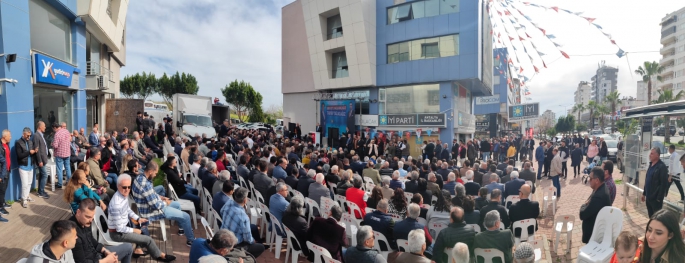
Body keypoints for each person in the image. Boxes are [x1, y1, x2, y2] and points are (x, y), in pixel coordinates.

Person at [108, 174, 176, 262]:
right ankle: (160, 256)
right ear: (118, 186)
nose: (127, 190)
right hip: (117, 234)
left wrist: (137, 218)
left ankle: (138, 249)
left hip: (125, 225)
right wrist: (135, 230)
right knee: (148, 239)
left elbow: (128, 209)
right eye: (124, 187)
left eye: (129, 187)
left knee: (143, 224)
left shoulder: (121, 195)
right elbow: (119, 228)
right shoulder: (116, 204)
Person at [132, 161, 195, 246]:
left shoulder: (140, 177)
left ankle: (181, 228)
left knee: (176, 204)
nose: (155, 175)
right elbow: (155, 206)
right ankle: (191, 241)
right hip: (152, 211)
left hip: (150, 206)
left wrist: (161, 198)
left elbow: (151, 194)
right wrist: (165, 202)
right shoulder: (145, 184)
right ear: (150, 171)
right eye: (155, 173)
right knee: (186, 217)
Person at [71, 198, 133, 263]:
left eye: (92, 217)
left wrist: (105, 251)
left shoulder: (85, 222)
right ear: (78, 212)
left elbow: (92, 240)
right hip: (95, 260)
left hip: (97, 255)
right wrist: (106, 260)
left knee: (128, 247)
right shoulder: (72, 233)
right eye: (88, 217)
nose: (90, 220)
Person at [220, 187, 265, 258]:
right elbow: (247, 238)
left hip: (223, 234)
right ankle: (246, 257)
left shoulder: (229, 202)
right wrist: (253, 241)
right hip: (235, 244)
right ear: (245, 200)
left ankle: (258, 241)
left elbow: (221, 211)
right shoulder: (243, 217)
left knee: (253, 227)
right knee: (261, 247)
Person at [580, 167, 612, 244]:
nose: (589, 180)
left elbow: (582, 214)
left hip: (594, 236)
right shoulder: (600, 188)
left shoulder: (599, 196)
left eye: (590, 179)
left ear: (597, 180)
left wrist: (584, 204)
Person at [643, 147, 670, 217]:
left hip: (655, 199)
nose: (650, 155)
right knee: (650, 216)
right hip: (648, 198)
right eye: (650, 153)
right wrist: (644, 193)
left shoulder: (662, 167)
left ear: (657, 155)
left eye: (652, 153)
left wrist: (659, 198)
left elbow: (663, 184)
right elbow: (647, 180)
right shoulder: (650, 165)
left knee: (656, 218)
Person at [15, 127, 36, 208]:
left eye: (30, 135)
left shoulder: (30, 142)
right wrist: (29, 152)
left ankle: (27, 196)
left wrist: (34, 151)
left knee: (29, 183)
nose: (29, 137)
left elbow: (31, 153)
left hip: (30, 165)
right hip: (23, 166)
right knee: (24, 184)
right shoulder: (18, 143)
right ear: (23, 134)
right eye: (27, 135)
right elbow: (19, 155)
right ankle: (23, 199)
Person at [51, 123, 72, 188]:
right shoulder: (66, 131)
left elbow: (56, 145)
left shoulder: (57, 134)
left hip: (59, 154)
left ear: (55, 128)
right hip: (67, 152)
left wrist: (52, 144)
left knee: (59, 169)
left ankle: (60, 184)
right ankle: (69, 182)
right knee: (68, 168)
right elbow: (70, 140)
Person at [33, 121, 50, 199]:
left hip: (44, 159)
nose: (45, 127)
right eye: (44, 126)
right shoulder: (36, 135)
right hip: (41, 160)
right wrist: (39, 161)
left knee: (41, 175)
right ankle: (41, 192)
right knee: (45, 175)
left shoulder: (41, 135)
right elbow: (37, 149)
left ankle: (40, 190)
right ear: (40, 127)